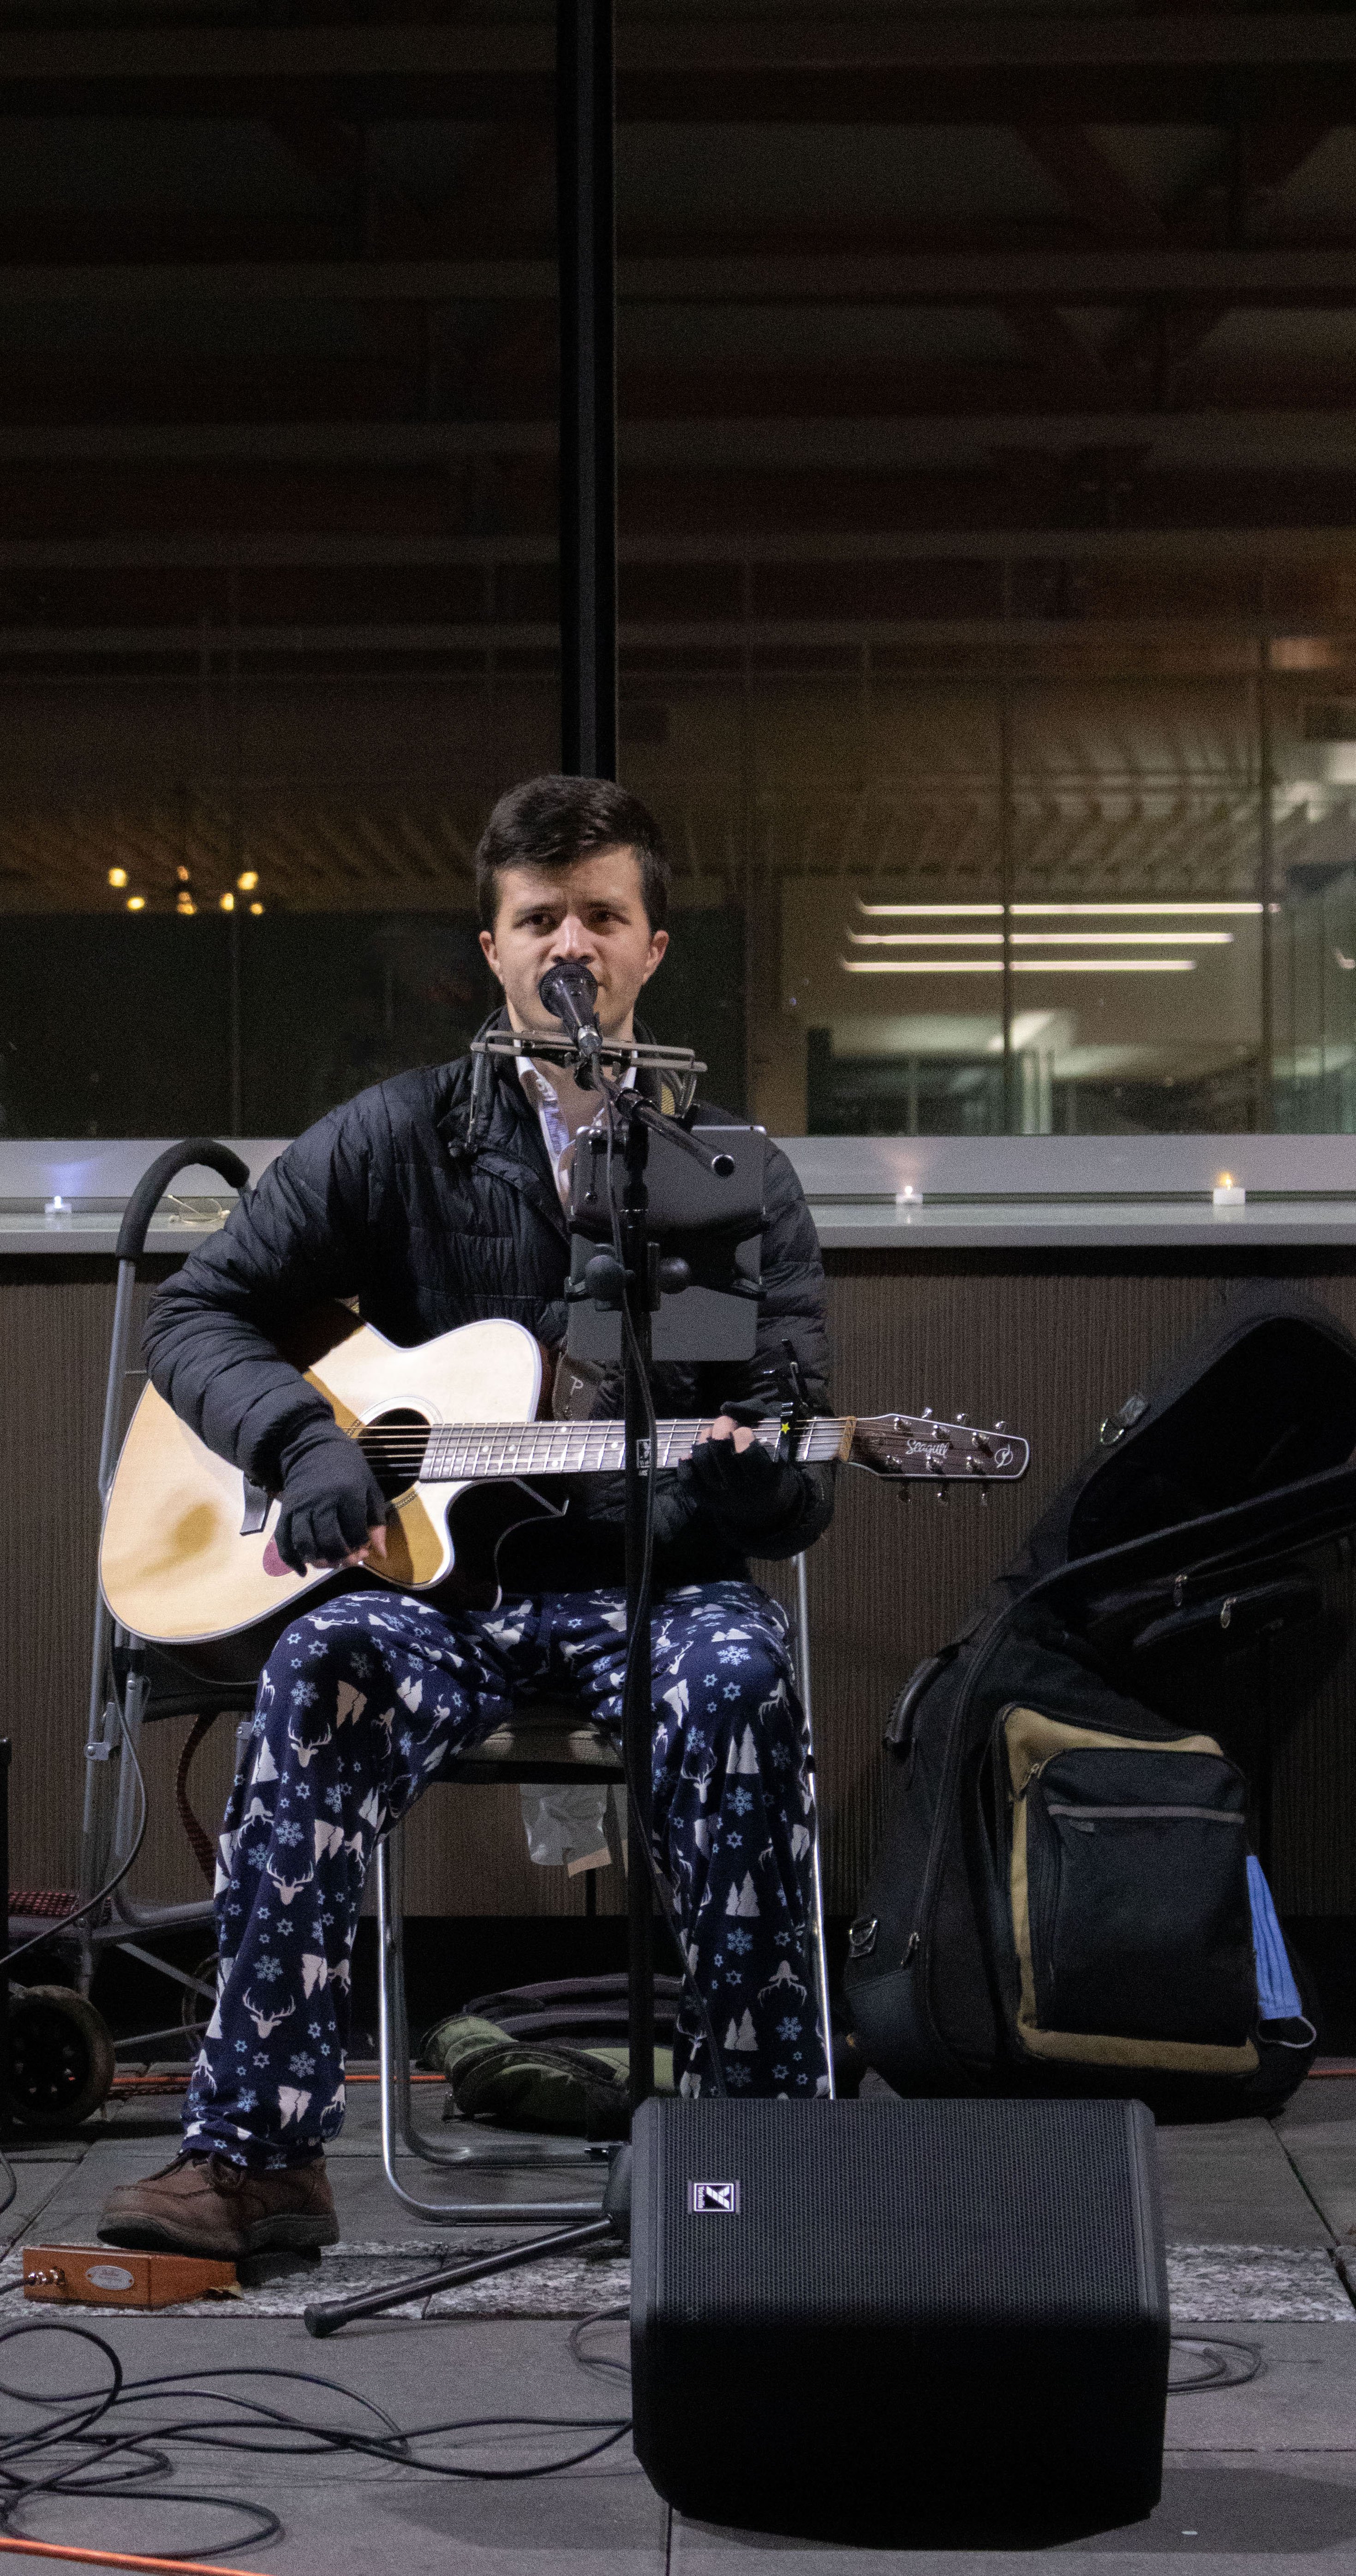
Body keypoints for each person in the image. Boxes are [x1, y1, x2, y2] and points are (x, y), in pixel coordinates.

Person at [99, 774, 835, 2260]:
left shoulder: (738, 1181)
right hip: (439, 1602)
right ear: (493, 949)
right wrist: (304, 1442)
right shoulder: (396, 1138)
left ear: (650, 950)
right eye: (538, 918)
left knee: (743, 1676)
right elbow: (203, 1315)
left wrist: (767, 1476)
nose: (572, 943)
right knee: (318, 1674)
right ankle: (255, 2161)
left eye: (602, 917)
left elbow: (795, 1451)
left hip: (659, 1591)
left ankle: (763, 2159)